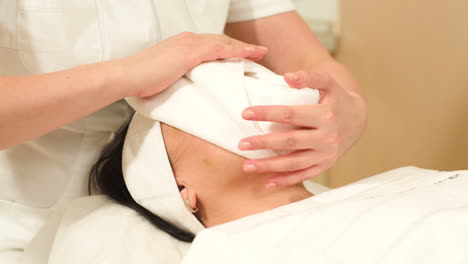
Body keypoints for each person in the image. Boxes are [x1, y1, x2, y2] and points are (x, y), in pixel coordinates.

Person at [0, 1, 367, 262]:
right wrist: (130, 74)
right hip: (23, 223)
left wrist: (351, 110)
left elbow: (309, 61)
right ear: (183, 192)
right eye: (203, 109)